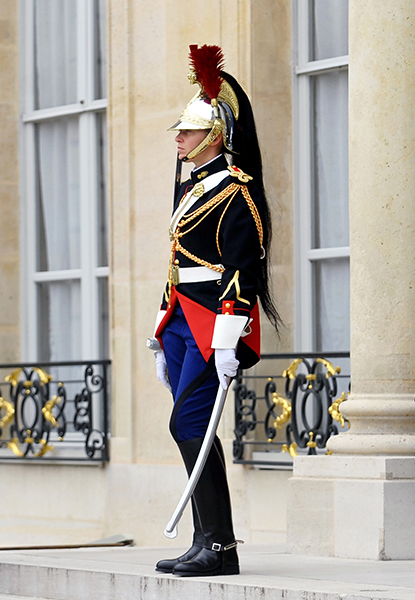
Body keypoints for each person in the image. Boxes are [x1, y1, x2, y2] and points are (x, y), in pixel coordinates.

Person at [147, 44, 280, 577]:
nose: (178, 137)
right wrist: (161, 330)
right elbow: (179, 264)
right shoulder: (194, 189)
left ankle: (219, 547)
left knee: (189, 421)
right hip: (182, 322)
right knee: (189, 427)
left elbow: (242, 270)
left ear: (216, 135)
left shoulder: (236, 192)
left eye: (188, 130)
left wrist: (229, 336)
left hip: (211, 325)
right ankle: (210, 540)